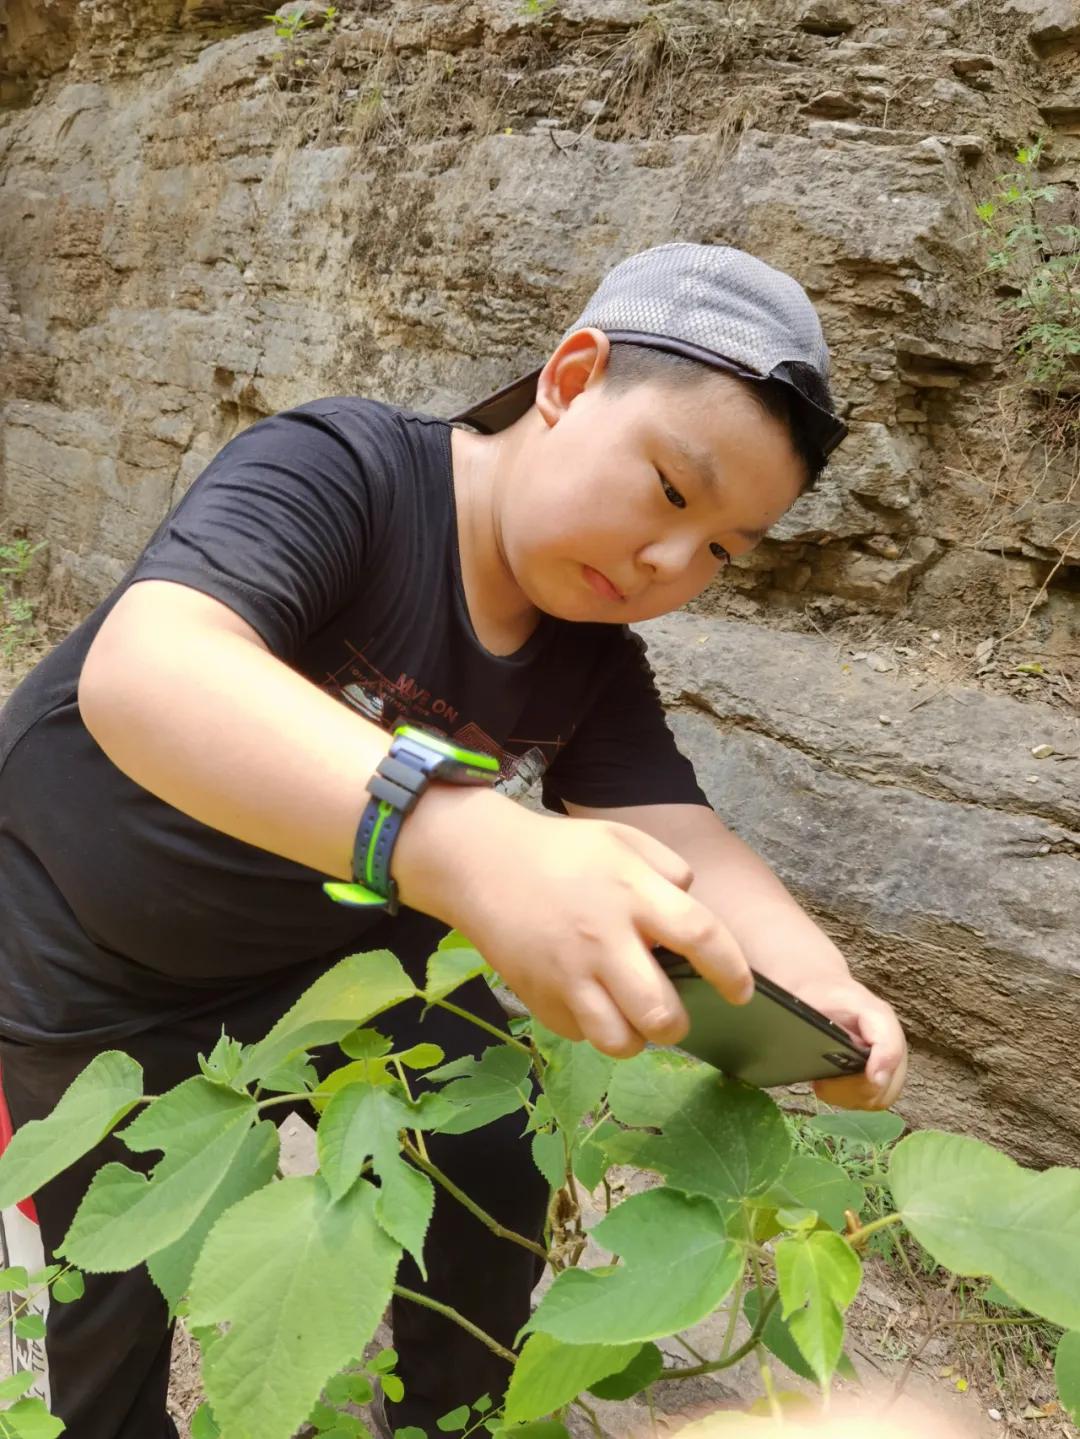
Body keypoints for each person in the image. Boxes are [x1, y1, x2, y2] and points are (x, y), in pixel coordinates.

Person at [0, 243, 908, 1439]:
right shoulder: (346, 473)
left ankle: (451, 1415)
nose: (668, 565)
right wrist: (469, 843)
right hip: (90, 956)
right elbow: (151, 666)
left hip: (338, 956)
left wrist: (820, 981)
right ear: (573, 378)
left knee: (490, 1143)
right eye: (675, 495)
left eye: (721, 554)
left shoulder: (589, 655)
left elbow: (675, 822)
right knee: (113, 1282)